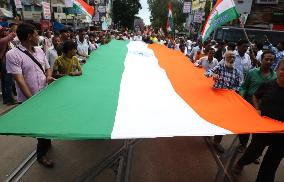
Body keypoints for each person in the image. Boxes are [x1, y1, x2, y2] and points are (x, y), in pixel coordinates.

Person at [6, 23, 55, 168]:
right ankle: (41, 155)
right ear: (28, 36)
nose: (38, 37)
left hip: (46, 94)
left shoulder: (40, 50)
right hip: (30, 98)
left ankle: (46, 143)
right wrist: (33, 100)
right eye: (35, 34)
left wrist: (48, 76)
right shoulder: (12, 55)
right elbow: (19, 80)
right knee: (40, 127)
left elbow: (48, 67)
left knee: (46, 123)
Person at [233, 59, 284, 182]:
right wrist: (257, 109)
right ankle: (241, 163)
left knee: (271, 165)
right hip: (263, 129)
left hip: (282, 135)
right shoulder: (268, 85)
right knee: (254, 153)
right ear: (277, 70)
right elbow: (256, 95)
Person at [237, 51, 276, 154]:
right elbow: (244, 87)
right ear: (261, 59)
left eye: (271, 60)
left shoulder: (275, 77)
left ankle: (254, 152)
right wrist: (241, 98)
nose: (268, 61)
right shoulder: (252, 72)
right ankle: (243, 145)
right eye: (266, 59)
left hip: (264, 109)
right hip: (248, 104)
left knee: (258, 132)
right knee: (245, 129)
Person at [205, 51, 241, 153]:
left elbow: (238, 86)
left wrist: (233, 90)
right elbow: (207, 73)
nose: (232, 59)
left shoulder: (237, 72)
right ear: (224, 58)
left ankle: (217, 142)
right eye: (229, 57)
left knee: (223, 121)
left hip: (227, 100)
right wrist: (213, 75)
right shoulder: (219, 67)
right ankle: (208, 132)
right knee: (213, 117)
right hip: (215, 98)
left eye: (233, 57)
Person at [0, 26, 17, 105]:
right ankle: (10, 99)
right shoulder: (2, 40)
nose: (4, 32)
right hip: (5, 62)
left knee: (4, 82)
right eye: (2, 31)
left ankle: (6, 99)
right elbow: (12, 36)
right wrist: (12, 31)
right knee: (8, 82)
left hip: (3, 62)